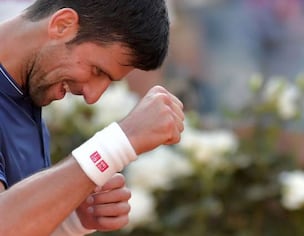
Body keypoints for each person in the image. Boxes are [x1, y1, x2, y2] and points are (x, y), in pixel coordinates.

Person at [0, 0, 184, 235]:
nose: (92, 96)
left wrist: (69, 220)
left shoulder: (26, 96)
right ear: (62, 25)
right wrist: (118, 142)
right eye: (97, 70)